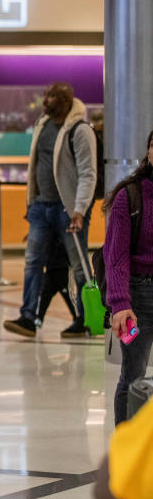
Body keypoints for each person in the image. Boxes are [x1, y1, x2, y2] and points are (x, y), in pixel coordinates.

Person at [4, 82, 97, 339]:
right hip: (41, 207)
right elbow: (35, 166)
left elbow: (88, 174)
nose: (46, 100)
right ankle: (28, 317)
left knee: (78, 265)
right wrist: (31, 204)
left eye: (53, 96)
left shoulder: (79, 130)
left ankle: (86, 319)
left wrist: (79, 210)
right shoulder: (42, 125)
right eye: (46, 95)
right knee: (32, 261)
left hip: (69, 209)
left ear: (66, 101)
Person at [104, 129, 153, 425]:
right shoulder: (130, 195)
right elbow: (116, 257)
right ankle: (125, 448)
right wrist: (120, 304)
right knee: (133, 374)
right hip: (137, 296)